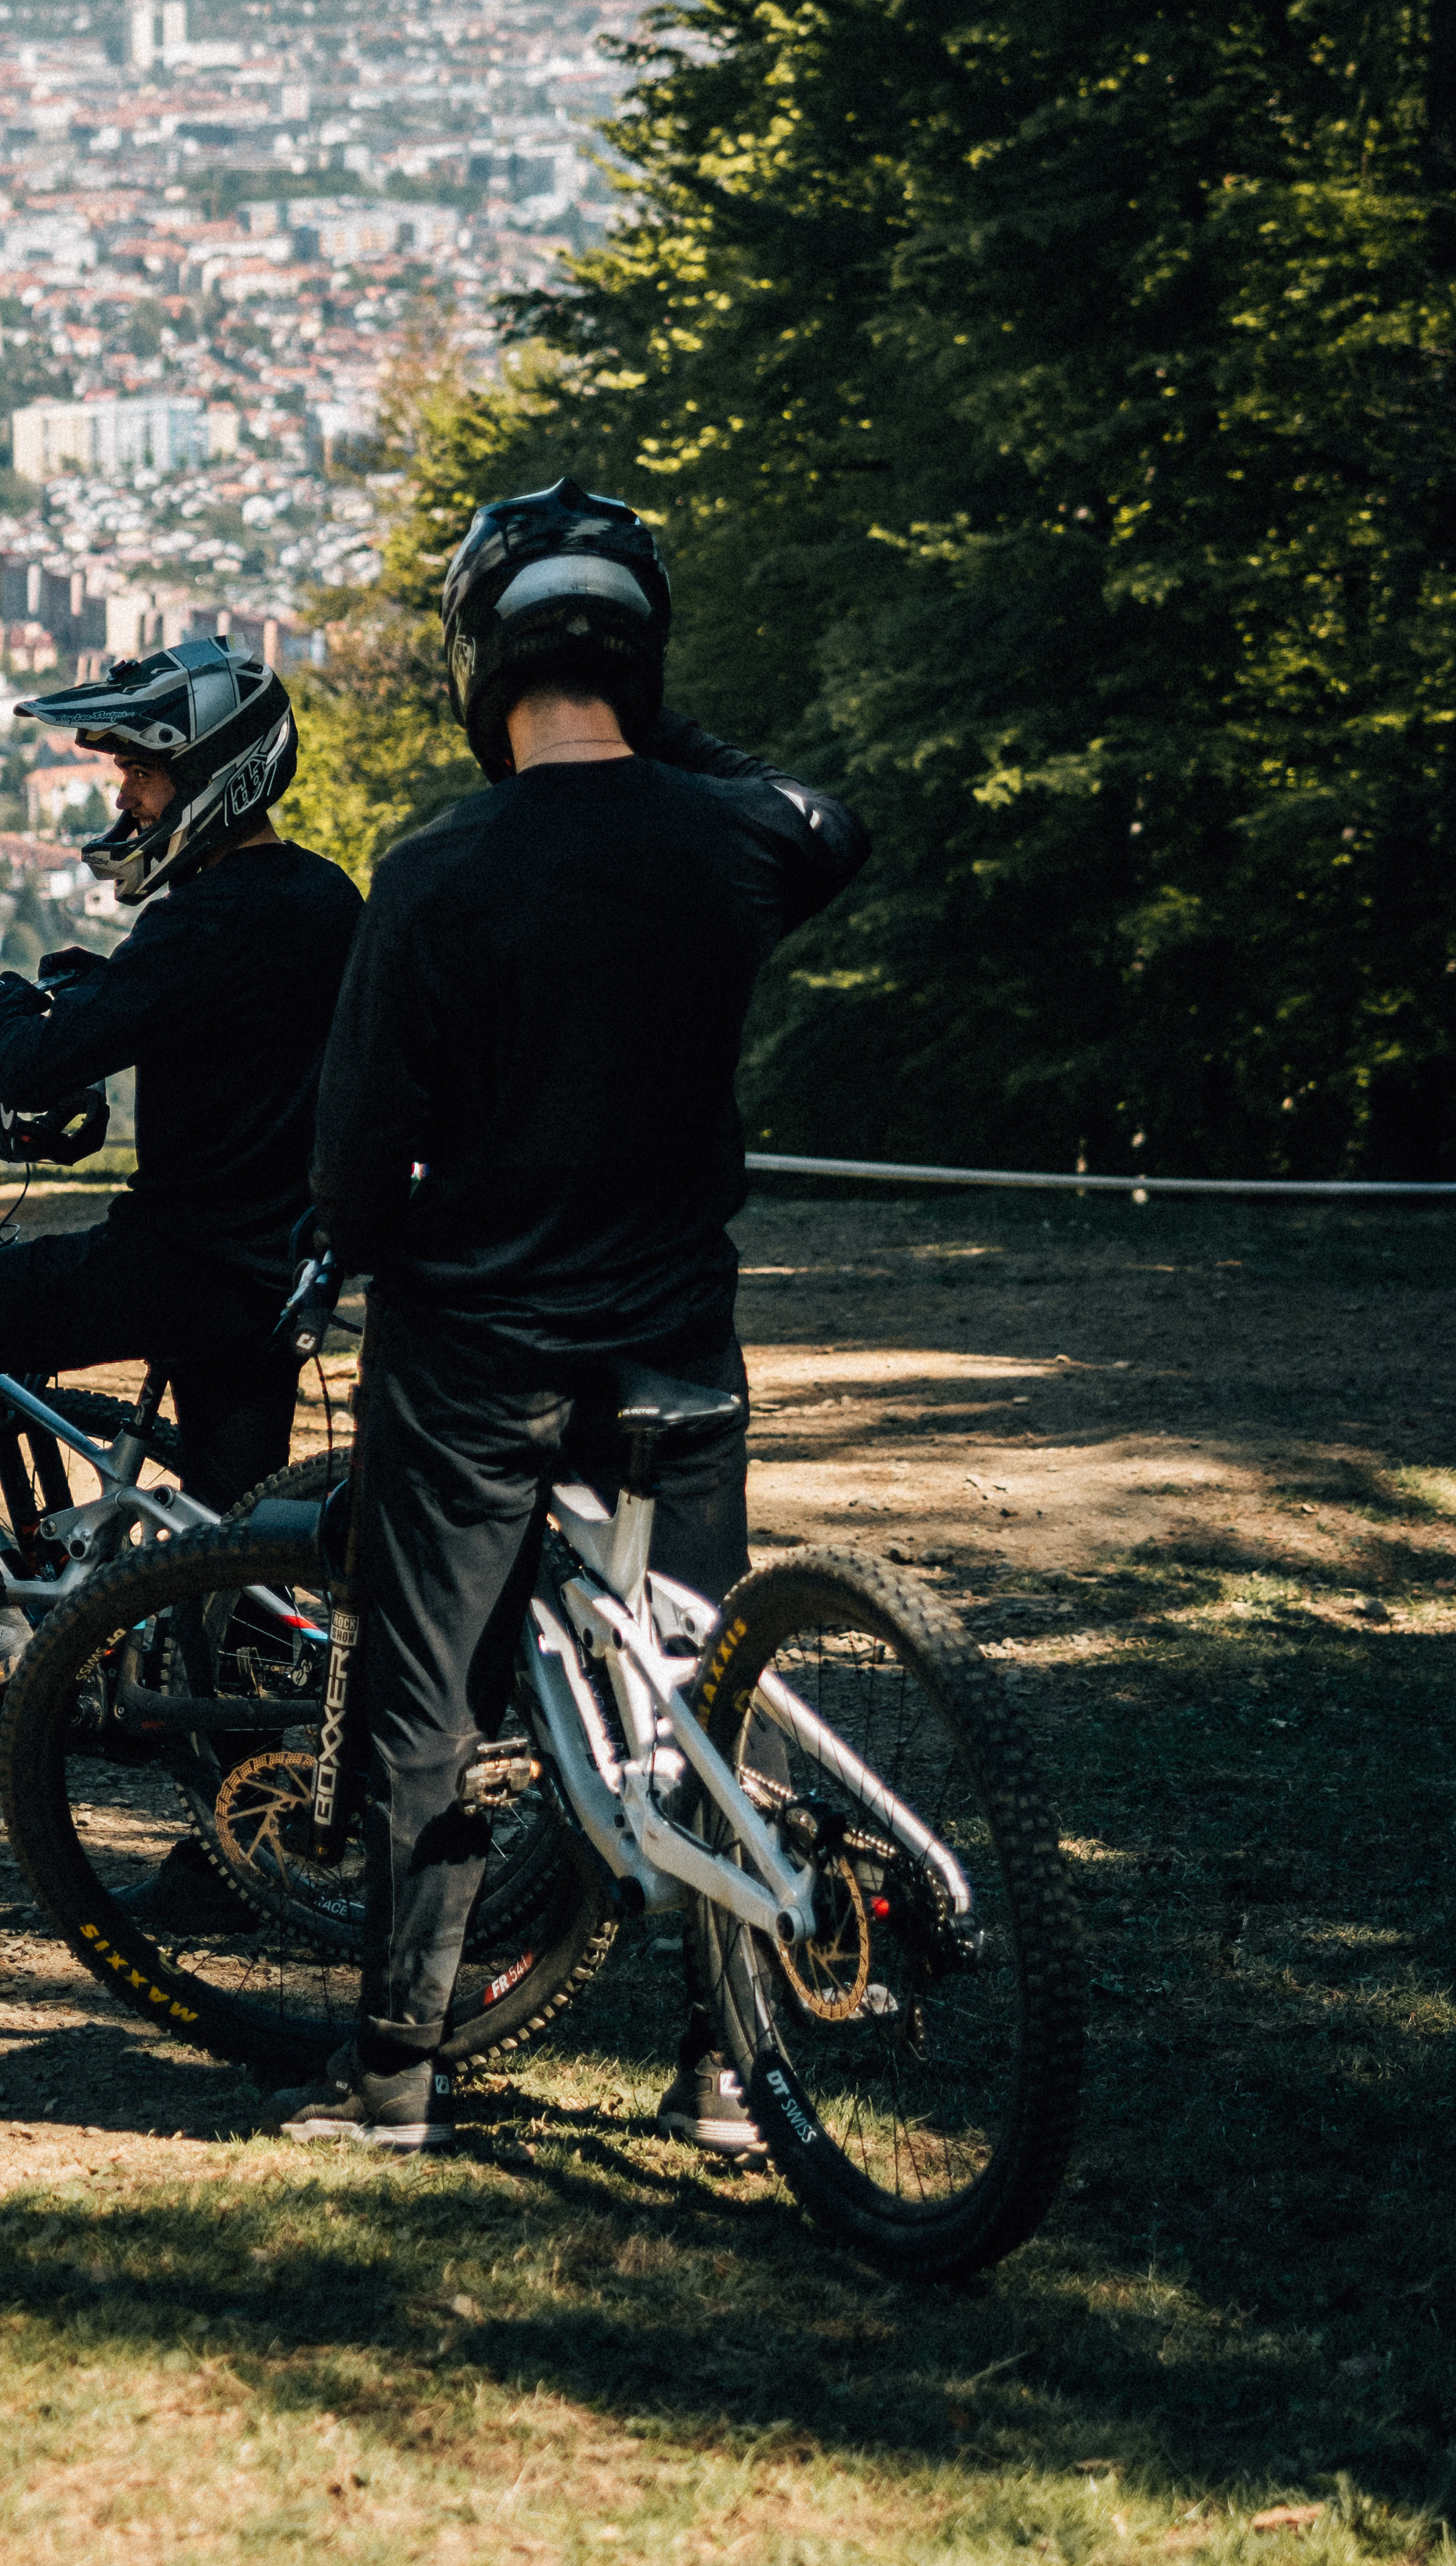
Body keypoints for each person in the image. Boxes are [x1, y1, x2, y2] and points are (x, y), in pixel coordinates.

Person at [274, 480, 869, 2155]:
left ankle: (395, 2072)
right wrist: (653, 723)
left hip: (474, 1352)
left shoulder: (434, 869)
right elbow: (827, 821)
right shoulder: (729, 839)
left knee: (428, 1702)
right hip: (672, 1333)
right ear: (640, 658)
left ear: (479, 657)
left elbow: (354, 1150)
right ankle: (727, 2065)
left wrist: (348, 1247)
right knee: (704, 1677)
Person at [0, 638, 364, 1733]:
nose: (124, 796)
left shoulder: (200, 918)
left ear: (218, 776)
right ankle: (236, 1782)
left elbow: (31, 1066)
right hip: (279, 1280)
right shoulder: (325, 898)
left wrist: (3, 1003)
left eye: (143, 772)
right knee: (227, 1564)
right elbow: (217, 1025)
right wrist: (109, 991)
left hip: (174, 1265)